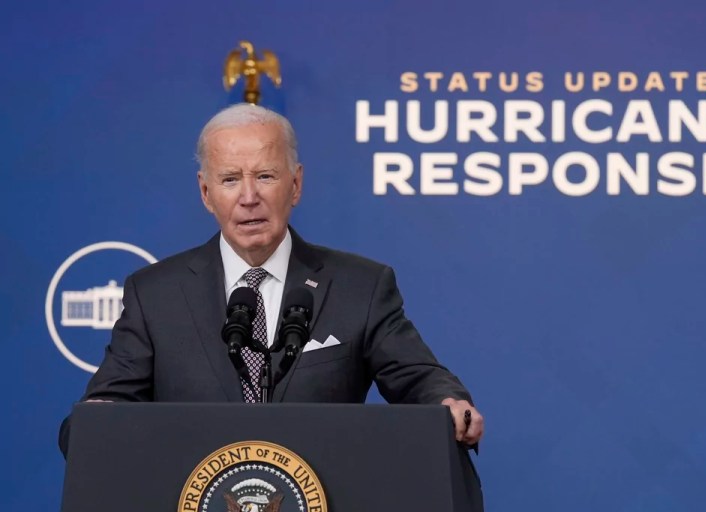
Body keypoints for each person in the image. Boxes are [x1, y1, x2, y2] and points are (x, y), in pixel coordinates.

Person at [61, 103, 483, 454]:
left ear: (295, 184)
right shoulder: (155, 294)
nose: (249, 197)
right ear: (206, 193)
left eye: (265, 176)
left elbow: (419, 376)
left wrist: (447, 400)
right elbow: (106, 407)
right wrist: (100, 415)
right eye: (230, 180)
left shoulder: (360, 286)